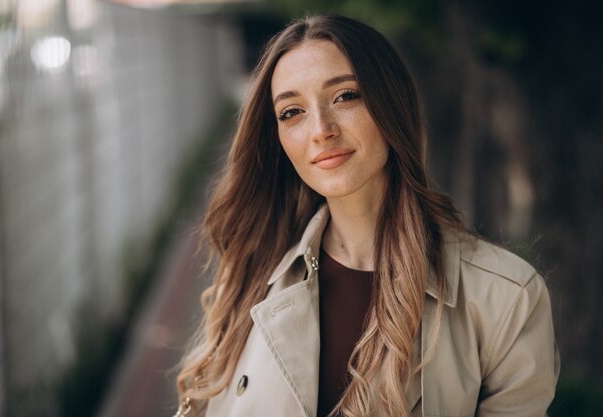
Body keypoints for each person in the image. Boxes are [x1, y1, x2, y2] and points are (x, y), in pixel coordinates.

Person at [173, 14, 560, 417]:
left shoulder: (507, 297)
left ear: (392, 105)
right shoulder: (252, 273)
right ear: (278, 140)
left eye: (345, 96)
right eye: (292, 112)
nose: (321, 129)